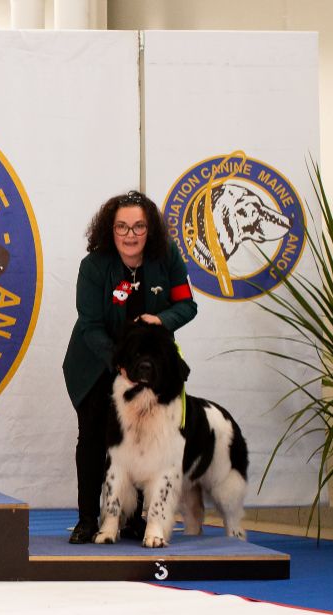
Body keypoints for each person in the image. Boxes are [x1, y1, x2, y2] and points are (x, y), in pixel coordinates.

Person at [62, 190, 198, 543]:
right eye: (122, 226)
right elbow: (89, 324)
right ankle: (88, 519)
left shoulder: (167, 257)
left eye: (138, 226)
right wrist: (118, 363)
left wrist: (162, 318)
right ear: (110, 230)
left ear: (149, 229)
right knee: (93, 439)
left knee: (145, 444)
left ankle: (136, 518)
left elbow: (187, 306)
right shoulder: (93, 267)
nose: (130, 234)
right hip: (96, 363)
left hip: (148, 366)